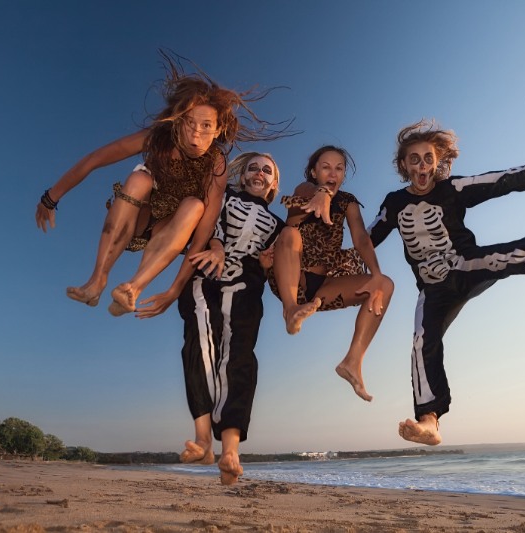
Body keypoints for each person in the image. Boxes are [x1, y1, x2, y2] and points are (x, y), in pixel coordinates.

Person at [367, 121, 525, 445]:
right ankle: (429, 422)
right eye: (414, 159)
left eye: (428, 158)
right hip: (432, 289)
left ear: (438, 163)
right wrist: (325, 266)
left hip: (464, 264)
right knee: (423, 341)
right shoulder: (394, 203)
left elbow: (505, 181)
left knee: (507, 255)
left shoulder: (452, 189)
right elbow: (366, 241)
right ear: (404, 165)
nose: (422, 165)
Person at [35, 52, 288, 316]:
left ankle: (133, 288)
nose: (196, 134)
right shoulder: (158, 138)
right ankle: (97, 279)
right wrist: (51, 197)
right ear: (178, 121)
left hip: (174, 229)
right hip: (139, 215)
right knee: (140, 178)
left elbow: (204, 231)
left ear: (217, 130)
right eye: (190, 123)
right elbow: (96, 159)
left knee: (194, 205)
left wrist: (174, 289)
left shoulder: (216, 164)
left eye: (205, 126)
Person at [136, 152, 285, 485]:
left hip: (248, 284)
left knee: (240, 356)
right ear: (242, 175)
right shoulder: (225, 196)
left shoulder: (278, 224)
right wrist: (217, 246)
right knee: (201, 338)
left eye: (267, 170)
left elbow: (277, 257)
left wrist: (265, 263)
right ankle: (203, 438)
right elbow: (211, 221)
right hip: (207, 274)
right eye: (253, 167)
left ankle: (230, 449)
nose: (259, 172)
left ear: (274, 183)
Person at [269, 146, 394, 402]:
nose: (332, 172)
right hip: (292, 278)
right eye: (325, 167)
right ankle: (291, 310)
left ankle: (352, 361)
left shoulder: (347, 202)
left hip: (325, 286)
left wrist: (377, 273)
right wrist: (321, 192)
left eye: (339, 168)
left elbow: (360, 238)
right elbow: (305, 191)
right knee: (290, 233)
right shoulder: (304, 191)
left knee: (385, 285)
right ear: (314, 171)